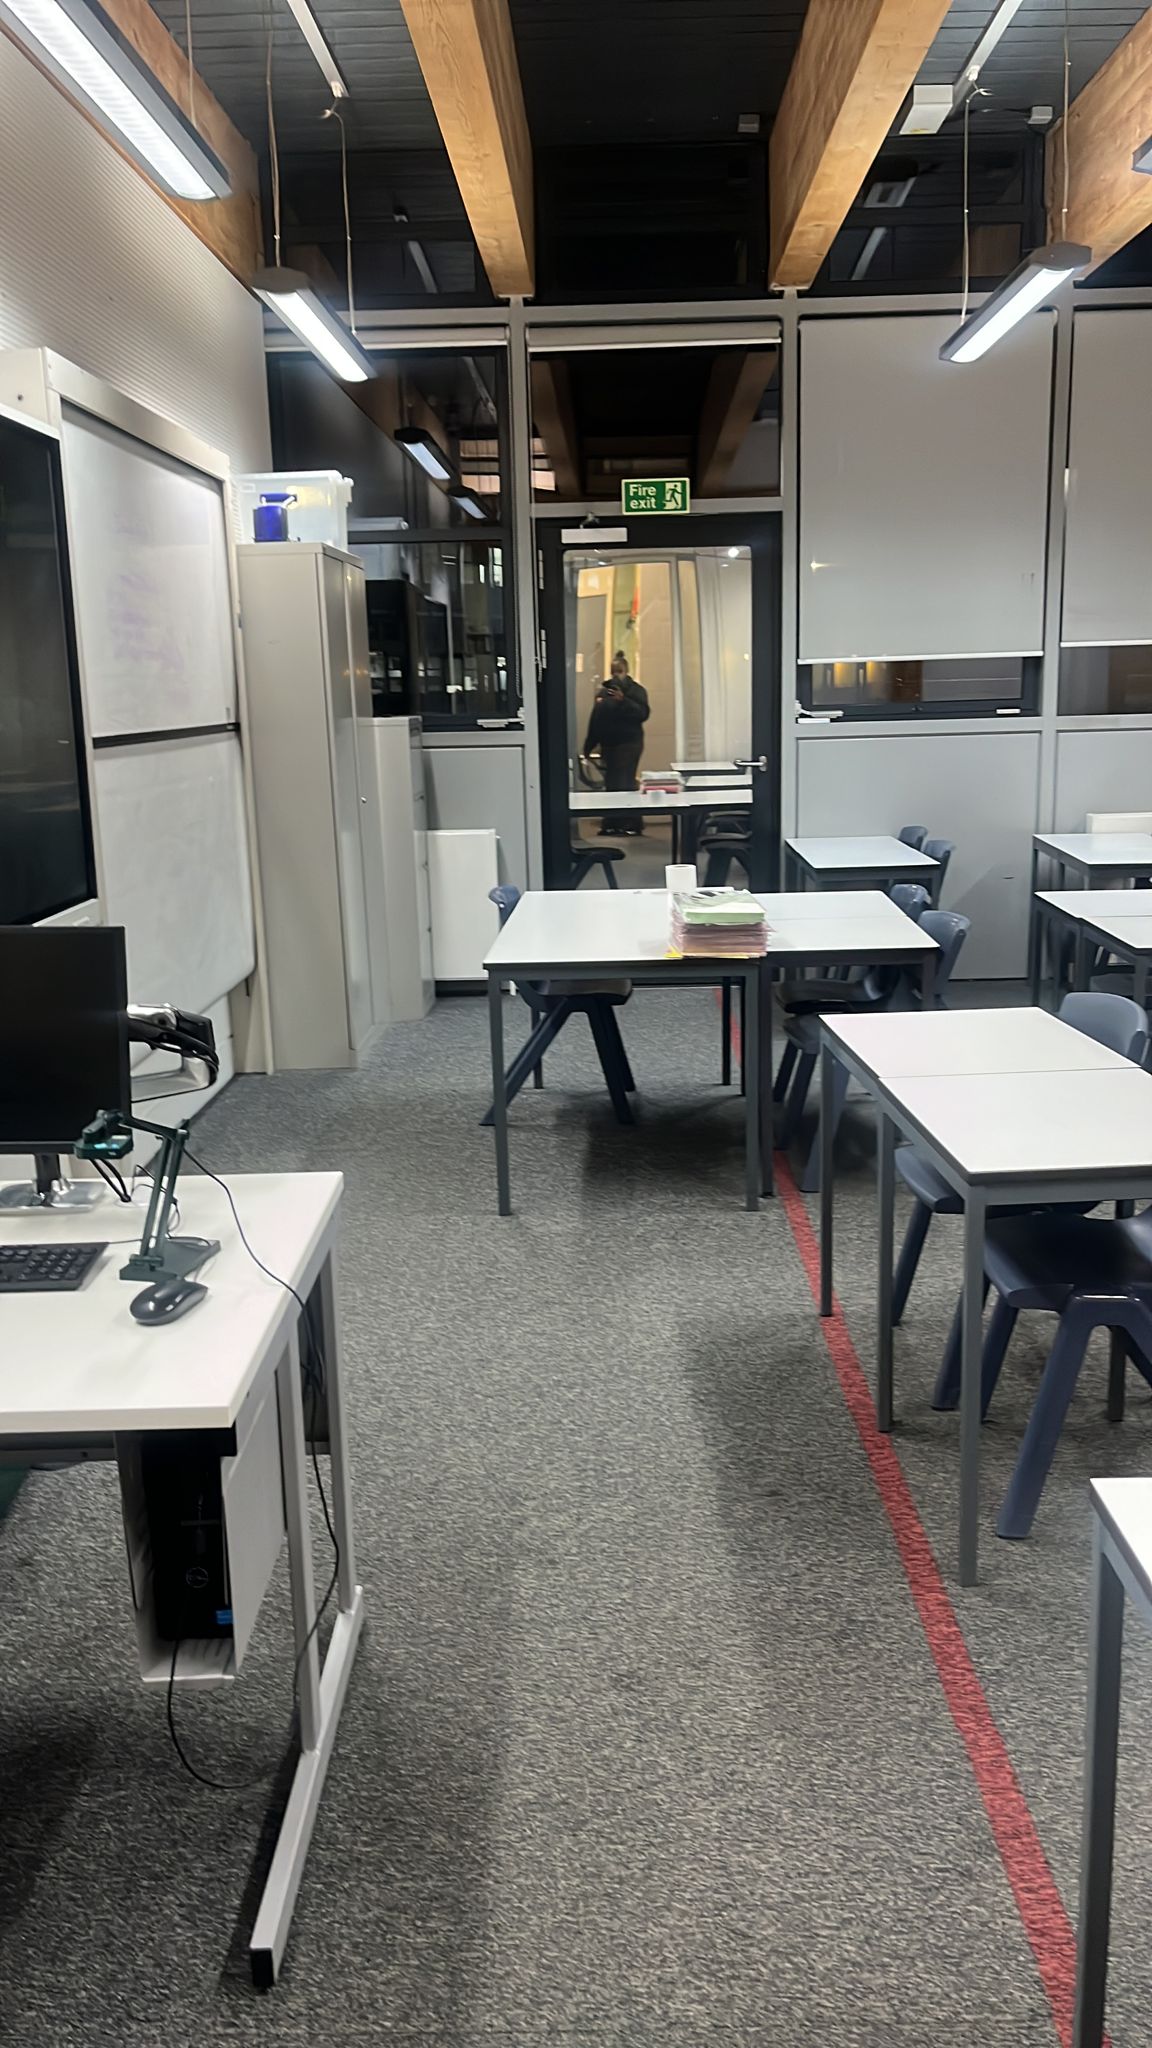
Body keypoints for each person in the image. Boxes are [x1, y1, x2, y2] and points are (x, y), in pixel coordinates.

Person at [583, 652, 650, 836]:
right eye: (613, 671)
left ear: (627, 671)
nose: (615, 675)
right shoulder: (604, 694)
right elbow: (596, 719)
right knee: (612, 783)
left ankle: (631, 823)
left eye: (619, 671)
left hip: (629, 743)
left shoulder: (636, 691)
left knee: (626, 781)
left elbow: (642, 714)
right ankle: (611, 823)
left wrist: (623, 701)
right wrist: (589, 744)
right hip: (609, 744)